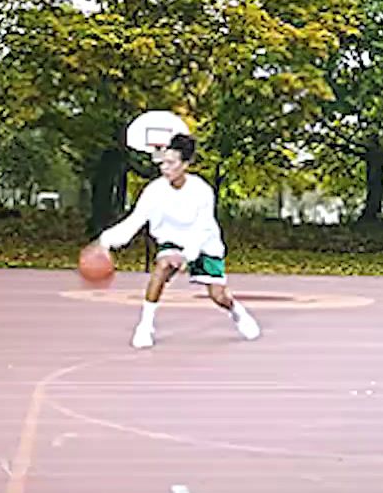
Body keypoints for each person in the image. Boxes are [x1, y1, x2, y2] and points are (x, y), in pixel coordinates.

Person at [85, 133, 260, 349]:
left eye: (171, 163)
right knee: (161, 267)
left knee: (218, 296)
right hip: (171, 241)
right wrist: (105, 241)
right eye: (163, 162)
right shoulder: (154, 191)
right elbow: (135, 220)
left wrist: (187, 255)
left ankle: (237, 311)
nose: (164, 167)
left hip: (203, 243)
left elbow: (203, 228)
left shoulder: (201, 191)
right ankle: (145, 326)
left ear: (185, 164)